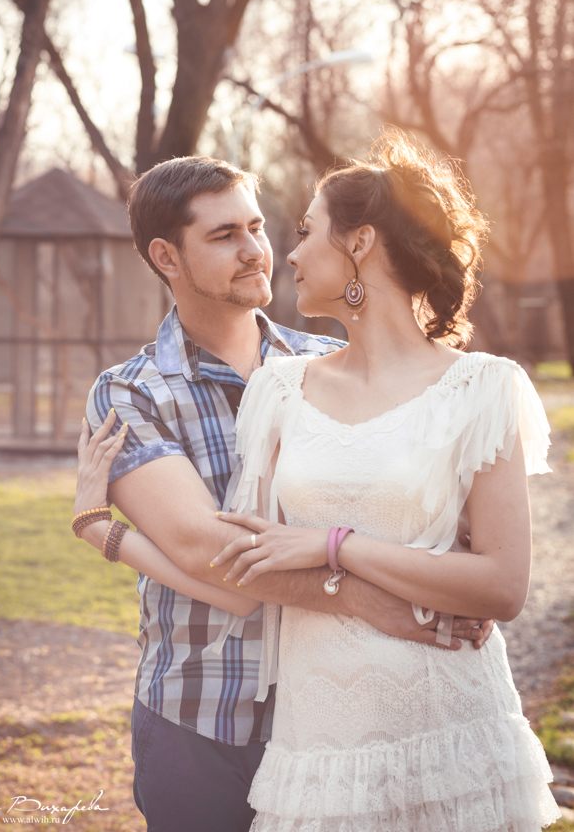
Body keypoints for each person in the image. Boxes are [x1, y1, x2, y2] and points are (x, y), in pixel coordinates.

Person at [73, 154, 495, 832]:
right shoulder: (131, 392)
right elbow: (206, 550)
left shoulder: (322, 368)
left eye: (257, 228)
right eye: (223, 236)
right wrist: (362, 595)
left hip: (336, 713)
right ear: (165, 256)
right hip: (199, 716)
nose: (255, 251)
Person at [205, 135, 560, 830]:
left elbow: (501, 586)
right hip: (321, 747)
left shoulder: (482, 389)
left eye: (306, 233)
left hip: (450, 730)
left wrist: (332, 544)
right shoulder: (278, 390)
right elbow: (246, 564)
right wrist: (104, 526)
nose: (293, 254)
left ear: (360, 242)